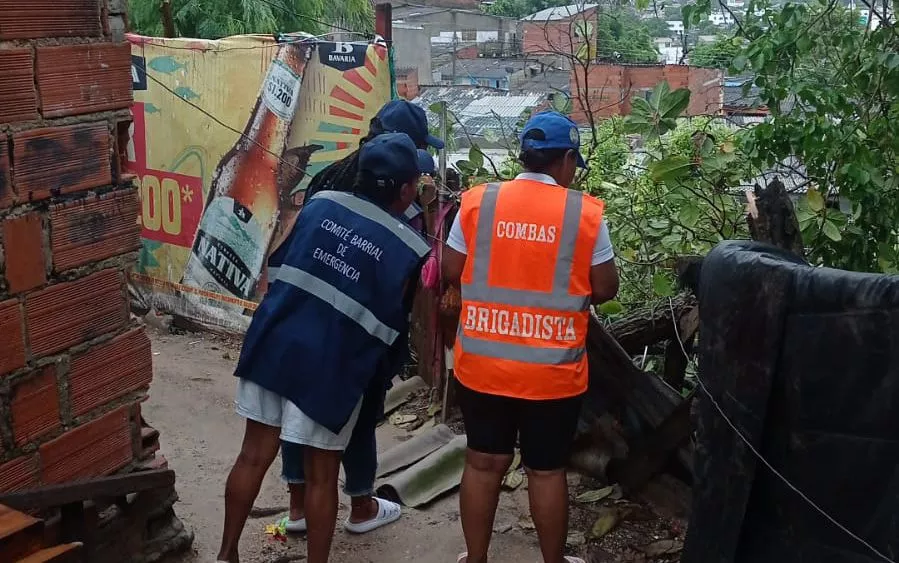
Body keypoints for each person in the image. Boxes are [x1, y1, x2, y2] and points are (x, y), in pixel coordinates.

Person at [217, 132, 431, 563]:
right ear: (407, 190)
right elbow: (393, 324)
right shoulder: (409, 248)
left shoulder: (319, 204)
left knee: (252, 455)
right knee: (322, 476)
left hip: (273, 342)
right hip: (332, 365)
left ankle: (226, 554)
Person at [441, 111, 619, 563]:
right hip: (551, 371)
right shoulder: (585, 213)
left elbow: (451, 270)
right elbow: (605, 288)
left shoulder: (478, 202)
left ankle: (476, 559)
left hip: (483, 363)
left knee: (482, 462)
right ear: (565, 160)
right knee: (545, 471)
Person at [275, 148, 440, 537]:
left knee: (294, 415)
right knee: (355, 423)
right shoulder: (400, 230)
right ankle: (361, 505)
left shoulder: (326, 190)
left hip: (297, 327)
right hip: (352, 341)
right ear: (403, 183)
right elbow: (397, 299)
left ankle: (297, 506)